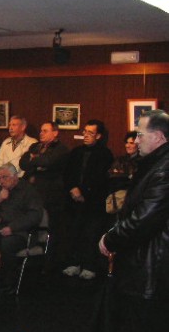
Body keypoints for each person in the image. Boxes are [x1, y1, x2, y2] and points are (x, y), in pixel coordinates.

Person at [99, 110, 169, 332]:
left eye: (140, 134)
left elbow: (143, 220)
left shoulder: (163, 170)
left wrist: (110, 238)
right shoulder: (154, 164)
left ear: (159, 137)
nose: (135, 140)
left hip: (153, 269)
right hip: (143, 264)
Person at [62, 120, 113, 280]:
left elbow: (100, 178)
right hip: (74, 201)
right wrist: (73, 188)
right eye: (85, 131)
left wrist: (83, 191)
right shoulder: (76, 152)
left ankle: (90, 265)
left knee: (91, 234)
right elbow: (68, 173)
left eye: (90, 133)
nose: (86, 135)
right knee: (74, 232)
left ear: (98, 136)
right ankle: (73, 263)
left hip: (94, 202)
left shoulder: (105, 154)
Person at [19, 121, 69, 269]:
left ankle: (48, 263)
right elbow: (23, 163)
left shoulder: (61, 149)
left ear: (55, 133)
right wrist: (36, 162)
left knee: (49, 229)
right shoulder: (35, 147)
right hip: (32, 194)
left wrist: (34, 160)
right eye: (41, 130)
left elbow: (49, 162)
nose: (41, 133)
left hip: (50, 196)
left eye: (45, 131)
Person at [0, 163, 43, 291]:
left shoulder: (28, 191)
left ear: (15, 177)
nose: (2, 181)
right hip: (0, 229)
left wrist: (12, 228)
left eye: (5, 177)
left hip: (22, 232)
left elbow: (35, 216)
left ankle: (7, 282)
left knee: (5, 244)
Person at [107, 131, 140, 196]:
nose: (127, 145)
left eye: (131, 143)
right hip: (117, 195)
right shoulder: (120, 160)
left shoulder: (142, 160)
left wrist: (122, 174)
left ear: (138, 144)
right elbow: (111, 176)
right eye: (126, 143)